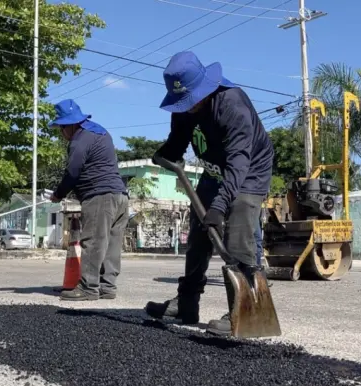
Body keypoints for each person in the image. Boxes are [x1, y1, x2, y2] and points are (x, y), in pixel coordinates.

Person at [144, 51, 274, 336]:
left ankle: (245, 310)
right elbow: (178, 140)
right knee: (198, 236)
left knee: (237, 235)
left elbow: (239, 163)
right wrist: (166, 154)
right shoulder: (182, 108)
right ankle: (187, 304)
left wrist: (220, 206)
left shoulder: (232, 105)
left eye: (192, 100)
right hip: (214, 171)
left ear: (206, 86)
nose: (189, 107)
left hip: (248, 171)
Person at [49, 99, 130, 300]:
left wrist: (58, 194)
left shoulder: (80, 138)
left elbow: (73, 171)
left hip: (100, 197)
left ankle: (88, 287)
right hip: (120, 196)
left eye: (61, 128)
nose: (62, 134)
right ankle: (107, 287)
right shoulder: (101, 132)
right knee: (111, 243)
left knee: (93, 241)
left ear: (70, 125)